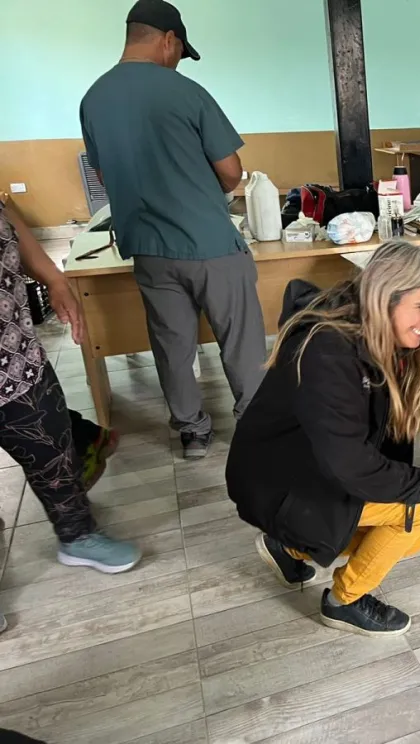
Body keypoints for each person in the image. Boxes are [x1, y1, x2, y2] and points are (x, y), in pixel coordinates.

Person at [225, 242, 420, 636]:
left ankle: (289, 548)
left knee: (414, 530)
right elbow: (346, 460)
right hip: (278, 483)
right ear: (385, 296)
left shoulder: (392, 338)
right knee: (417, 513)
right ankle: (344, 600)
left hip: (315, 473)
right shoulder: (327, 349)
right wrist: (415, 484)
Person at [79, 0, 266, 459]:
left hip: (147, 247)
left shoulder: (94, 98)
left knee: (172, 344)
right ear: (168, 39)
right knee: (240, 340)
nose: (177, 61)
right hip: (209, 243)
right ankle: (255, 425)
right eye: (180, 51)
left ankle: (193, 432)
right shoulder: (185, 92)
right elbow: (231, 171)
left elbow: (102, 176)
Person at [0, 203, 141, 585]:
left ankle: (77, 536)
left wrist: (55, 279)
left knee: (54, 453)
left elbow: (9, 221)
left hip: (16, 361)